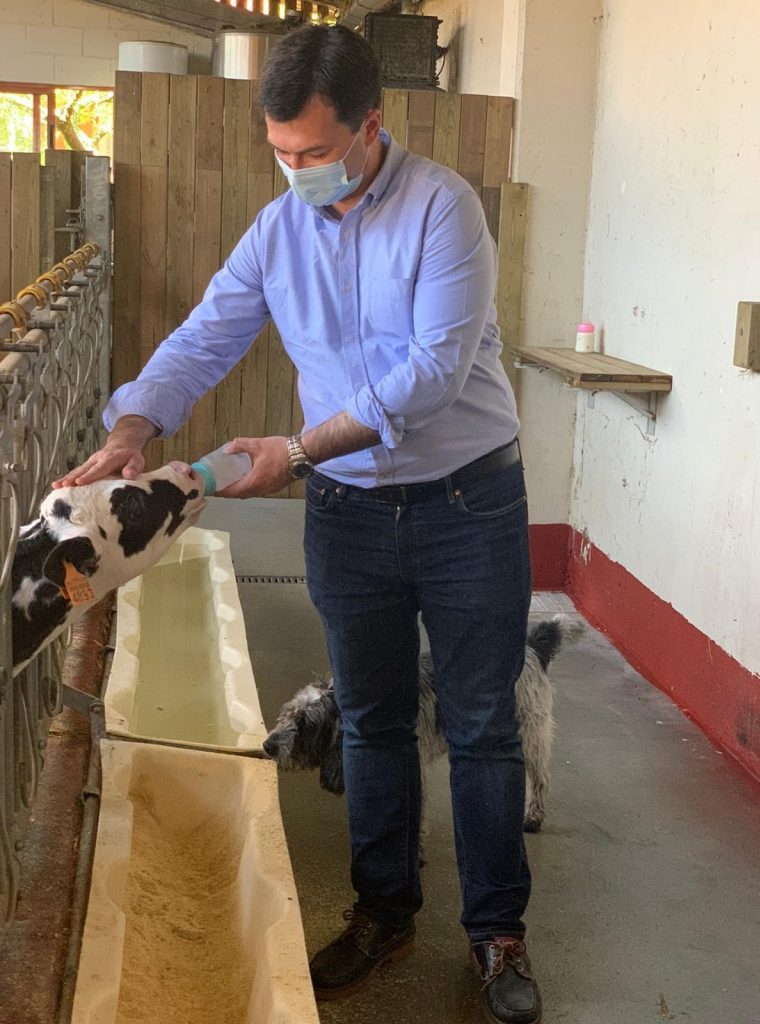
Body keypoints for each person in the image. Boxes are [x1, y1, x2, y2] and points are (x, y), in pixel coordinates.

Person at [56, 25, 540, 1024]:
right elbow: (207, 334)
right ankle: (381, 909)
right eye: (281, 153)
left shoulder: (444, 211)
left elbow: (430, 375)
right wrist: (134, 426)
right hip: (351, 514)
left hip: (466, 503)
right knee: (366, 718)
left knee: (483, 719)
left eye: (315, 153)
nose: (297, 171)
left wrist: (296, 450)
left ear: (372, 127)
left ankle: (497, 935)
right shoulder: (279, 229)